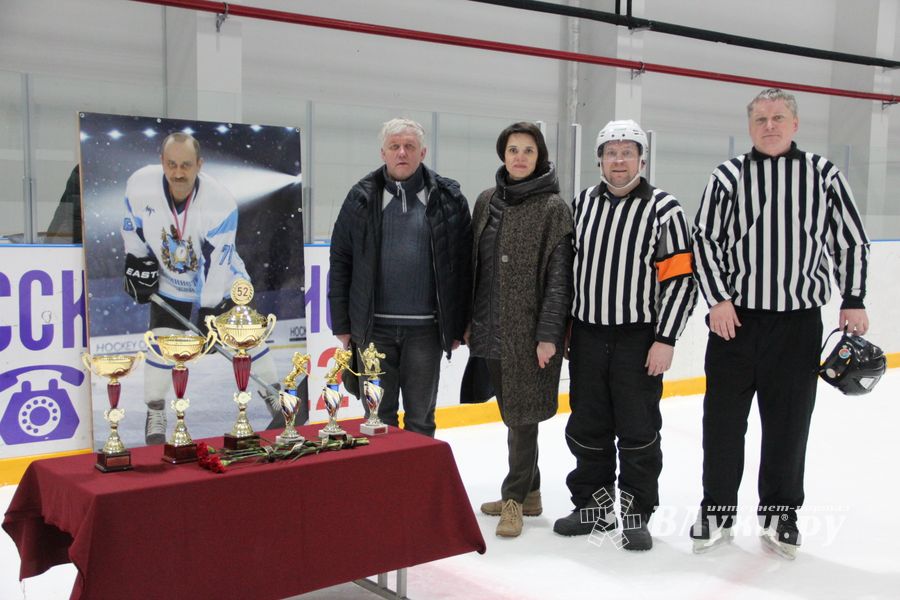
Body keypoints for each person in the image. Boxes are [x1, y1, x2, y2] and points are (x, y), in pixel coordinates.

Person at [690, 88, 871, 560]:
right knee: (723, 422)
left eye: (778, 117)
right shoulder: (728, 175)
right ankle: (717, 510)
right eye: (761, 119)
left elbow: (850, 240)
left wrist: (853, 298)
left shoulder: (824, 174)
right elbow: (704, 240)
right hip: (735, 322)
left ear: (794, 125)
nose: (769, 125)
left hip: (797, 325)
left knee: (789, 424)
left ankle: (779, 513)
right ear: (750, 127)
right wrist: (718, 300)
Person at [553, 119, 697, 551]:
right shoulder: (581, 206)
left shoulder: (664, 208)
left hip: (639, 339)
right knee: (587, 426)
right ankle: (594, 508)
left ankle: (635, 514)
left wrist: (666, 338)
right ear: (599, 159)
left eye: (627, 152)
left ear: (641, 159)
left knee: (638, 429)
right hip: (589, 336)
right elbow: (567, 275)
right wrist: (564, 331)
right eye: (611, 152)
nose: (619, 160)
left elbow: (680, 281)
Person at [121, 132, 281, 445]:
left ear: (199, 165)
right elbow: (132, 231)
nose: (178, 172)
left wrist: (208, 311)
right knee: (161, 345)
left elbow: (218, 262)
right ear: (161, 163)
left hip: (222, 280)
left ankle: (274, 393)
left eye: (186, 165)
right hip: (170, 280)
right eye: (171, 164)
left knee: (246, 334)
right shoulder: (140, 185)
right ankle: (156, 410)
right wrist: (137, 263)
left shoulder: (219, 201)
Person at [328, 118, 472, 437]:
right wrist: (342, 325)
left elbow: (463, 269)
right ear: (383, 153)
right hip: (373, 330)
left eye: (409, 146)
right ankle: (384, 486)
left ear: (423, 152)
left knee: (422, 420)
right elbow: (341, 261)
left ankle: (418, 487)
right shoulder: (360, 199)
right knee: (379, 418)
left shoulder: (449, 199)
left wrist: (459, 324)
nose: (402, 153)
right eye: (395, 147)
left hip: (426, 331)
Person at [467, 122, 573, 538]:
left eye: (528, 150)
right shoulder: (486, 201)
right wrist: (468, 322)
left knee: (524, 416)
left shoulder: (554, 208)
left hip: (529, 333)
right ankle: (531, 493)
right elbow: (475, 267)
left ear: (539, 156)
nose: (520, 157)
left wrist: (549, 334)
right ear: (503, 154)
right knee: (514, 415)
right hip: (490, 328)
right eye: (513, 149)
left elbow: (559, 280)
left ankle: (513, 499)